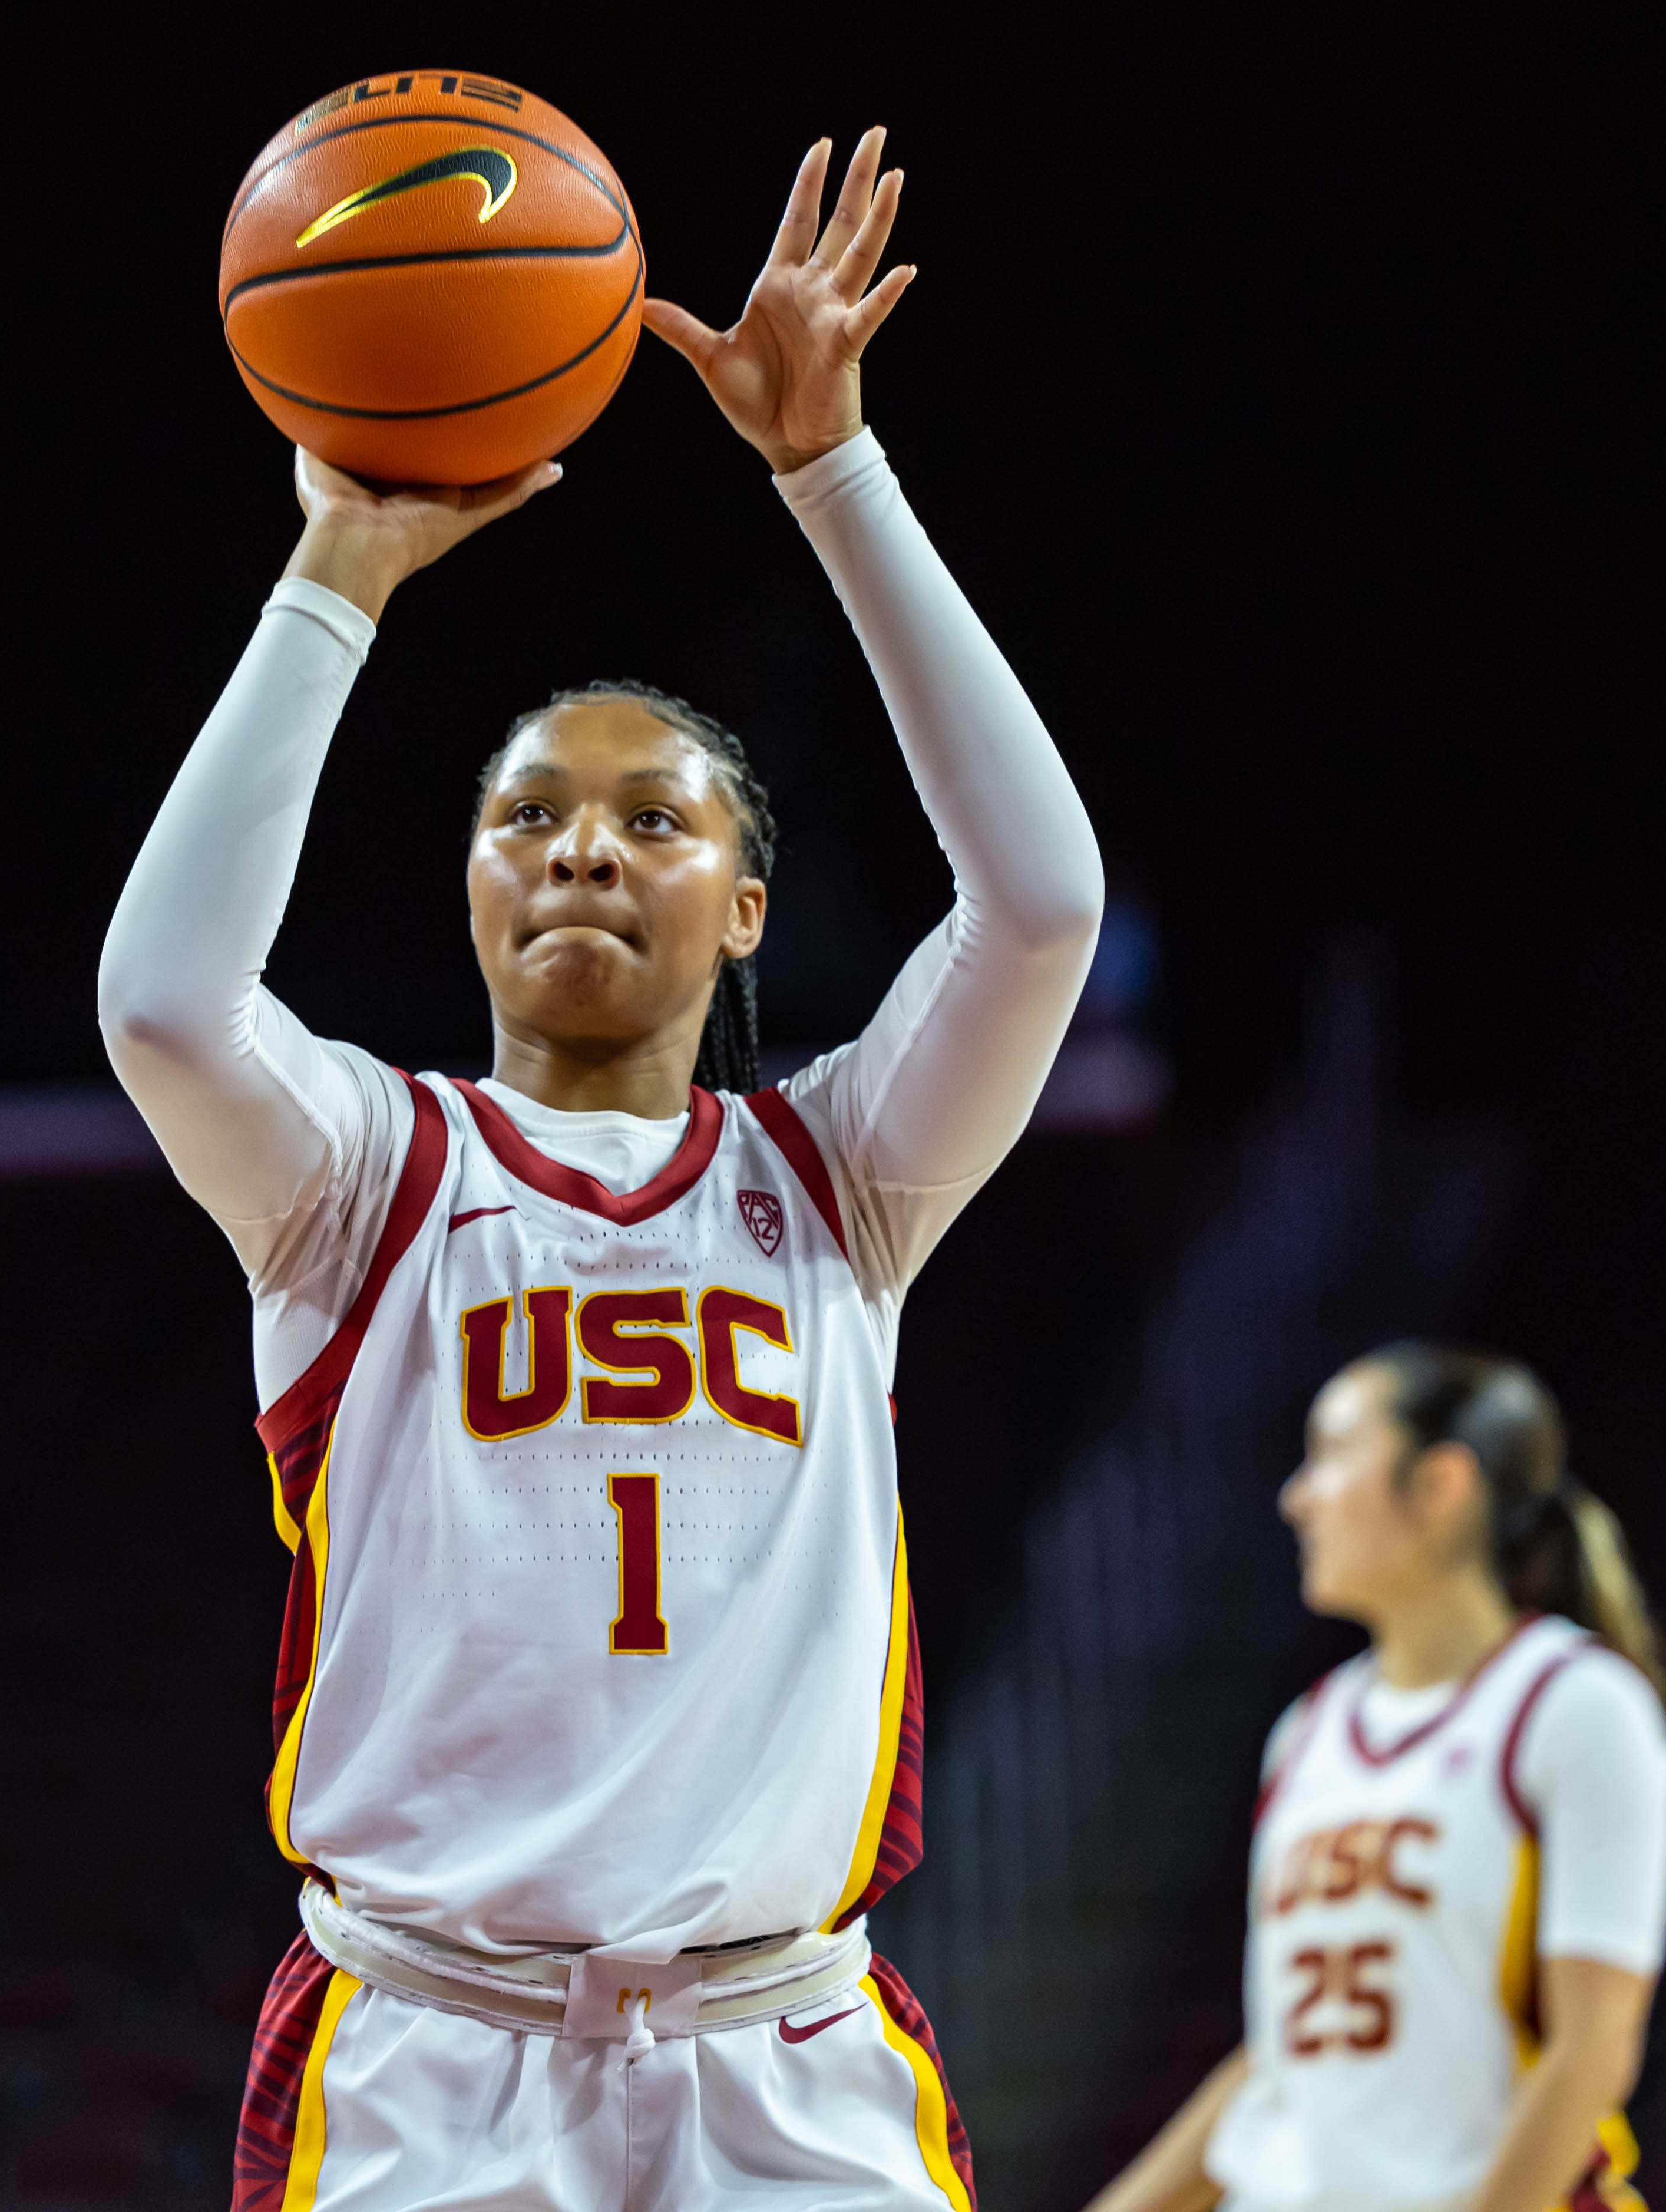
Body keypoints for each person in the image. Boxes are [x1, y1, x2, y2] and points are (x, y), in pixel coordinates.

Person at [101, 126, 1102, 2212]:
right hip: (432, 2054)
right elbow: (169, 1002)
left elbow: (1040, 905)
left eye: (655, 821)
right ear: (469, 893)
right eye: (527, 815)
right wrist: (335, 577)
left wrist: (835, 474)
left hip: (787, 2054)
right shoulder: (366, 1176)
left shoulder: (843, 1180)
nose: (580, 844)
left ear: (750, 907)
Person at [1090, 1345, 1666, 2212]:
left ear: (1441, 1486)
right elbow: (1282, 2066)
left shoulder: (1579, 1704)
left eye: (1330, 1455)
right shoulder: (1307, 1732)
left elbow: (1593, 2049)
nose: (1298, 1498)